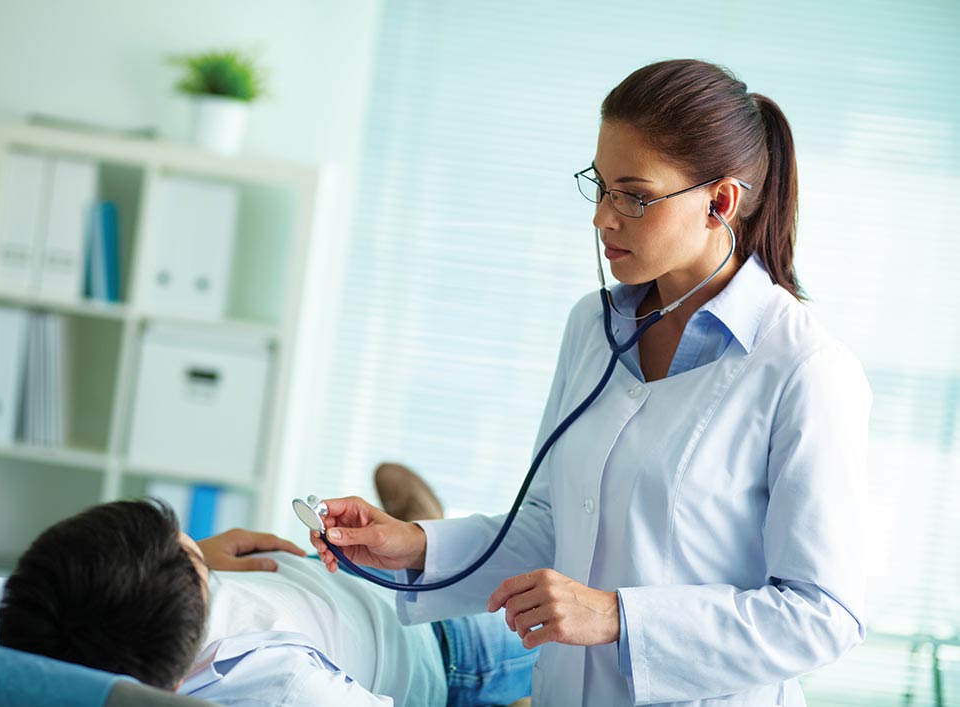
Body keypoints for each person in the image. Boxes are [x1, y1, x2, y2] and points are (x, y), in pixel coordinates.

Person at [310, 59, 871, 707]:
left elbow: (823, 614)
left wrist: (616, 616)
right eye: (600, 187)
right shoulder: (592, 326)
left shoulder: (804, 368)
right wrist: (413, 544)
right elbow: (555, 525)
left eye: (633, 195)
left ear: (719, 202)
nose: (603, 217)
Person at [0, 484, 537, 706]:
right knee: (547, 594)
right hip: (439, 650)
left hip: (332, 581)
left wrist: (198, 551)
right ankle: (427, 528)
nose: (195, 551)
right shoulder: (285, 688)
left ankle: (419, 526)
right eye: (193, 563)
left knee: (382, 549)